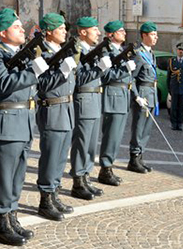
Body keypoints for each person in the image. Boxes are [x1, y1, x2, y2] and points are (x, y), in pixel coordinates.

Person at [0, 8, 49, 246]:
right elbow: (2, 83)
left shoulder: (22, 53)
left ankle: (12, 216)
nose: (22, 29)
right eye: (17, 27)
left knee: (19, 174)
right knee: (5, 175)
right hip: (7, 121)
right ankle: (1, 223)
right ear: (3, 33)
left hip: (24, 121)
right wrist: (33, 72)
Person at [36, 13, 78, 221]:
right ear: (49, 31)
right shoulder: (41, 53)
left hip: (66, 109)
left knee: (61, 157)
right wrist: (62, 72)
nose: (64, 31)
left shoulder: (62, 51)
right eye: (60, 28)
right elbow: (42, 85)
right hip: (52, 109)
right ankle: (45, 200)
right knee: (50, 156)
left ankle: (54, 194)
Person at [69, 16, 109, 198]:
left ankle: (86, 177)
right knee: (82, 143)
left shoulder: (93, 49)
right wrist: (99, 68)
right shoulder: (75, 51)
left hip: (94, 98)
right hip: (83, 98)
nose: (99, 33)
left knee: (91, 144)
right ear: (83, 32)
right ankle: (78, 181)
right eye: (95, 29)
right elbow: (79, 79)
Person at [97, 20, 137, 186]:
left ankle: (109, 166)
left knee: (118, 135)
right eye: (120, 31)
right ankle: (105, 168)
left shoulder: (122, 50)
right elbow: (105, 76)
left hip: (123, 95)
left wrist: (135, 94)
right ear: (110, 34)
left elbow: (129, 77)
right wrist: (124, 69)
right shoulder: (105, 52)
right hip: (112, 95)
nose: (124, 33)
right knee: (111, 135)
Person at [127, 21, 159, 174]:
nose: (156, 37)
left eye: (156, 34)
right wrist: (137, 96)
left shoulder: (150, 54)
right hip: (142, 94)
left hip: (151, 93)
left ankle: (140, 157)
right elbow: (131, 78)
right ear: (144, 36)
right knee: (139, 127)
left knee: (147, 128)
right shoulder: (138, 54)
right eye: (152, 34)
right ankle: (133, 159)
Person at [167, 42, 183, 131]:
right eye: (179, 49)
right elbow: (168, 76)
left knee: (181, 107)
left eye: (182, 50)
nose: (181, 51)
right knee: (173, 107)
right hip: (174, 87)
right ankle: (173, 123)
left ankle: (179, 123)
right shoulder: (171, 61)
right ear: (177, 50)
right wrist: (169, 88)